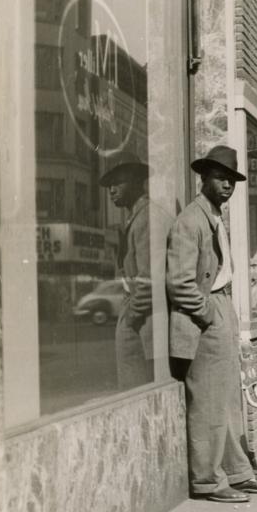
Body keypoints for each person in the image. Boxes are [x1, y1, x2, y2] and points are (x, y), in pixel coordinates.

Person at [166, 144, 257, 503]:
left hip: (222, 308)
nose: (227, 185)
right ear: (204, 178)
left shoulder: (214, 217)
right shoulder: (191, 220)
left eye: (231, 179)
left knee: (229, 400)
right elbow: (179, 282)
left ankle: (236, 472)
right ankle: (208, 480)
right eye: (220, 177)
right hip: (206, 315)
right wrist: (208, 313)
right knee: (210, 403)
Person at [99, 151, 170, 390]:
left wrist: (130, 318)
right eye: (109, 184)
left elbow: (151, 280)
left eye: (118, 182)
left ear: (136, 182)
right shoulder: (137, 218)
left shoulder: (148, 217)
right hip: (143, 322)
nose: (111, 189)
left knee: (141, 393)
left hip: (147, 323)